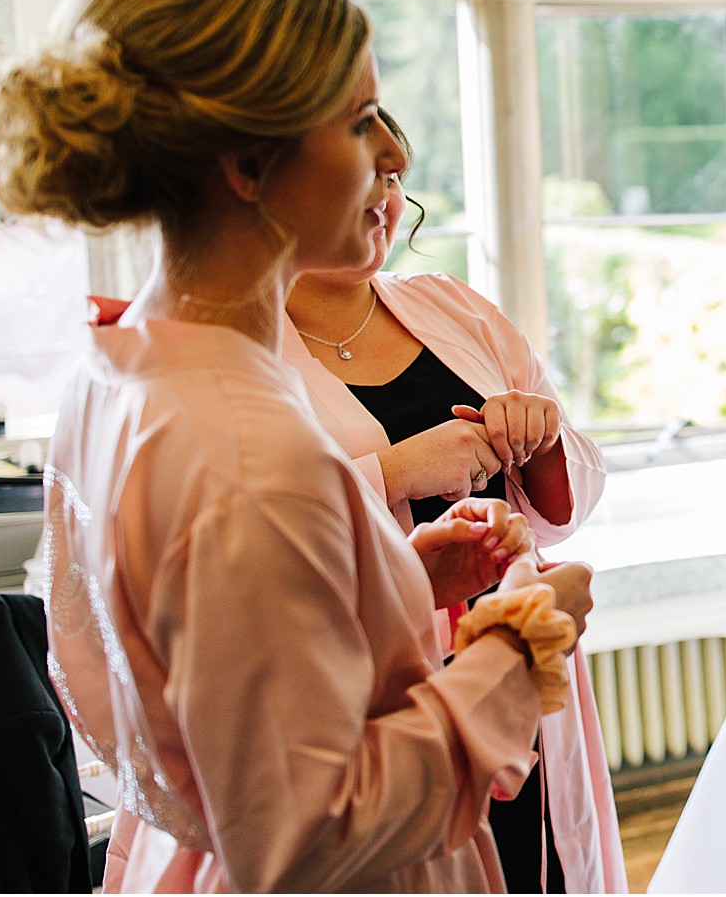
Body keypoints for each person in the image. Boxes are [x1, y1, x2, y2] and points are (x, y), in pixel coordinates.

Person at [0, 0, 597, 892]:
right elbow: (313, 832)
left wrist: (391, 575)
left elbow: (172, 662)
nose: (391, 152)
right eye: (358, 122)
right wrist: (520, 649)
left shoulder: (115, 373)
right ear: (247, 163)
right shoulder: (250, 453)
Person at [281, 109, 623, 893]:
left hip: (513, 649)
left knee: (533, 861)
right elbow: (261, 535)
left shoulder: (451, 305)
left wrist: (540, 441)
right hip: (377, 686)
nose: (385, 197)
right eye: (364, 172)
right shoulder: (247, 352)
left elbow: (575, 492)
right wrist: (392, 471)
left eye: (395, 175)